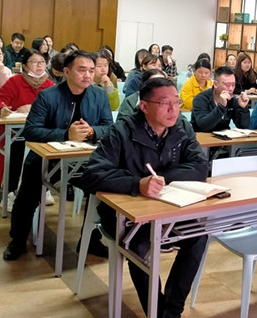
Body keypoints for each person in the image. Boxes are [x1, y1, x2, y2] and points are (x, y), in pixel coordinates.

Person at [78, 77, 208, 317]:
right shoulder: (122, 130)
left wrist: (159, 179)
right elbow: (91, 174)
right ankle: (157, 311)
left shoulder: (181, 127)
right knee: (139, 245)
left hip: (167, 208)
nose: (173, 110)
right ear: (144, 106)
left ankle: (172, 310)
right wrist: (137, 184)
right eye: (165, 103)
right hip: (124, 214)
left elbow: (200, 167)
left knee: (198, 236)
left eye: (176, 102)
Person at [2, 50, 114, 261]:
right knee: (27, 195)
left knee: (106, 189)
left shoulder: (99, 95)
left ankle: (90, 240)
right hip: (47, 158)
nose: (88, 75)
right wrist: (65, 135)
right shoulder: (48, 96)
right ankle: (17, 239)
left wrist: (92, 131)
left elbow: (109, 127)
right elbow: (31, 131)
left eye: (91, 71)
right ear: (66, 71)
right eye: (82, 70)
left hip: (84, 160)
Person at [0, 50, 54, 195]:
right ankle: (10, 191)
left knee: (49, 147)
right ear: (25, 66)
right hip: (12, 130)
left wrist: (34, 109)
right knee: (17, 146)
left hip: (39, 130)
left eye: (42, 62)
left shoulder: (50, 85)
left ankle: (42, 190)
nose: (39, 65)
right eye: (34, 62)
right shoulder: (15, 81)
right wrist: (2, 109)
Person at [191, 66, 250, 132]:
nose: (231, 89)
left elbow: (244, 126)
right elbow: (203, 126)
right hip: (202, 137)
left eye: (233, 85)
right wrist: (221, 106)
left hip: (224, 136)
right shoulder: (200, 99)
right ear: (215, 84)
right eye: (227, 85)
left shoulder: (232, 100)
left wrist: (242, 108)